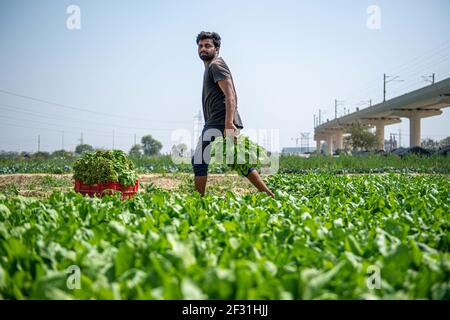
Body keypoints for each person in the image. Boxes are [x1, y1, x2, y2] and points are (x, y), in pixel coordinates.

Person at [192, 31, 274, 198]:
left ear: (217, 48)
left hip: (219, 121)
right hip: (219, 121)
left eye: (208, 46)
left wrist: (229, 123)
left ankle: (197, 201)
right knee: (236, 159)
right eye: (200, 46)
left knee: (199, 160)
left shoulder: (216, 65)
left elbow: (230, 94)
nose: (203, 49)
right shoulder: (210, 67)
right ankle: (268, 194)